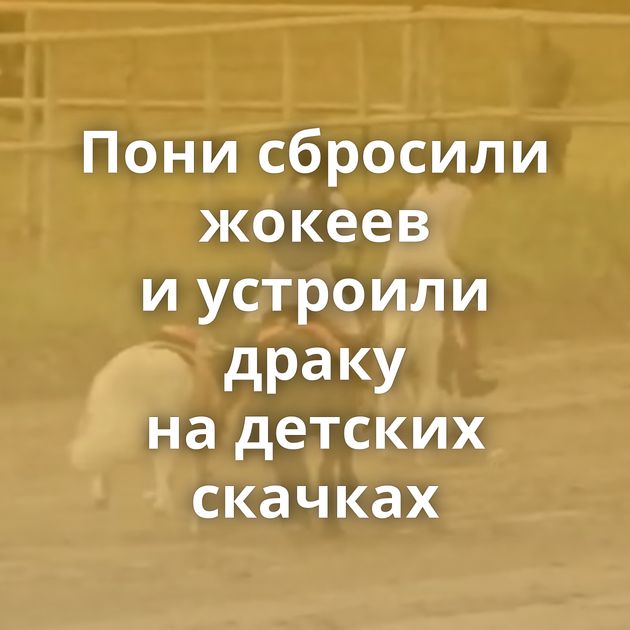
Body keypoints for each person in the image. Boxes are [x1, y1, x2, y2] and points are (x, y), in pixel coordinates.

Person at [382, 170, 497, 397]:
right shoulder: (462, 194)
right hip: (429, 262)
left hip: (395, 262)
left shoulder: (422, 191)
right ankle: (466, 372)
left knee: (395, 330)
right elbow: (448, 246)